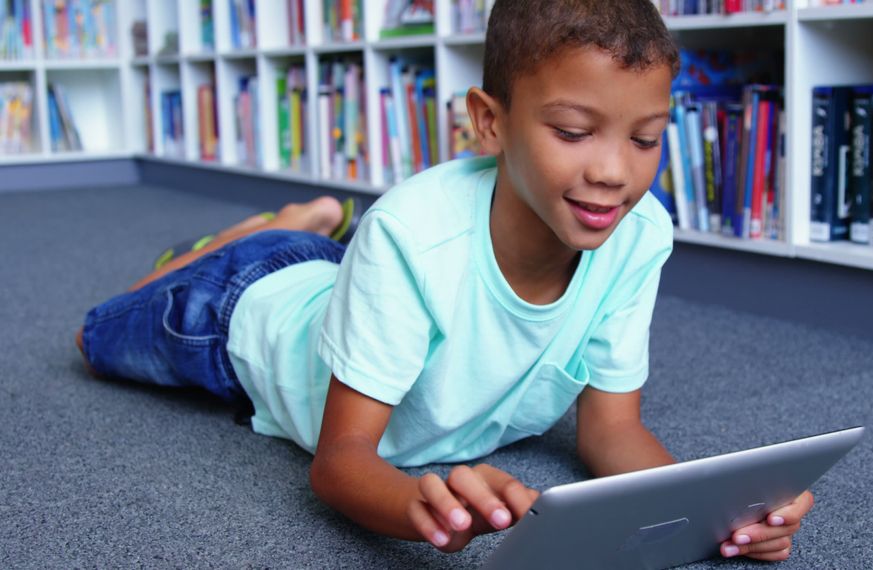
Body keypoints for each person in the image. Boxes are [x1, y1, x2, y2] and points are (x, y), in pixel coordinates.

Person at [76, 0, 813, 562]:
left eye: (645, 138)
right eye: (572, 131)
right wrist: (420, 506)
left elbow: (611, 428)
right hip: (239, 308)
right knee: (93, 332)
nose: (614, 172)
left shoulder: (638, 231)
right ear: (489, 123)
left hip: (351, 288)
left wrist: (718, 510)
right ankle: (254, 235)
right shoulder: (410, 235)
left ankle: (308, 224)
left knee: (341, 259)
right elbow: (339, 464)